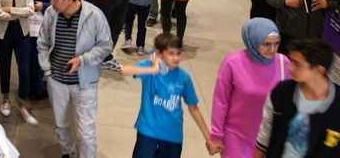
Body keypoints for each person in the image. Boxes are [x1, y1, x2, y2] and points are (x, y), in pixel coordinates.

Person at [38, 0, 112, 158]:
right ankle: (67, 152)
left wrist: (83, 60)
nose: (51, 3)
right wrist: (47, 70)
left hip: (85, 83)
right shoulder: (50, 13)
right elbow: (43, 42)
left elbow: (105, 46)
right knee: (61, 125)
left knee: (86, 133)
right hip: (56, 81)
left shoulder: (94, 16)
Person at [121, 33, 217, 158]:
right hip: (148, 133)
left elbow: (194, 108)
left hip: (173, 137)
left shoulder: (184, 77)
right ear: (159, 54)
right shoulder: (148, 68)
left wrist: (209, 138)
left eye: (178, 53)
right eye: (171, 53)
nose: (176, 58)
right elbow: (123, 70)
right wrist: (152, 69)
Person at [210, 18, 291, 158]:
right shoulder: (232, 63)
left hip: (269, 139)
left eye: (276, 44)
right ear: (253, 41)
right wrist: (216, 135)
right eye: (266, 44)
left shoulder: (284, 63)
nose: (272, 49)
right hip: (236, 136)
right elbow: (220, 101)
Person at [253, 39, 340, 158]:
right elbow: (264, 135)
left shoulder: (337, 104)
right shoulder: (282, 92)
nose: (290, 67)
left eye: (297, 64)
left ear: (319, 70)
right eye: (291, 61)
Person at [22, 0, 52, 101]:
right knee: (27, 58)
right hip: (27, 25)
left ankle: (39, 88)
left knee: (40, 57)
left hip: (43, 27)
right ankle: (28, 88)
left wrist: (44, 6)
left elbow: (59, 3)